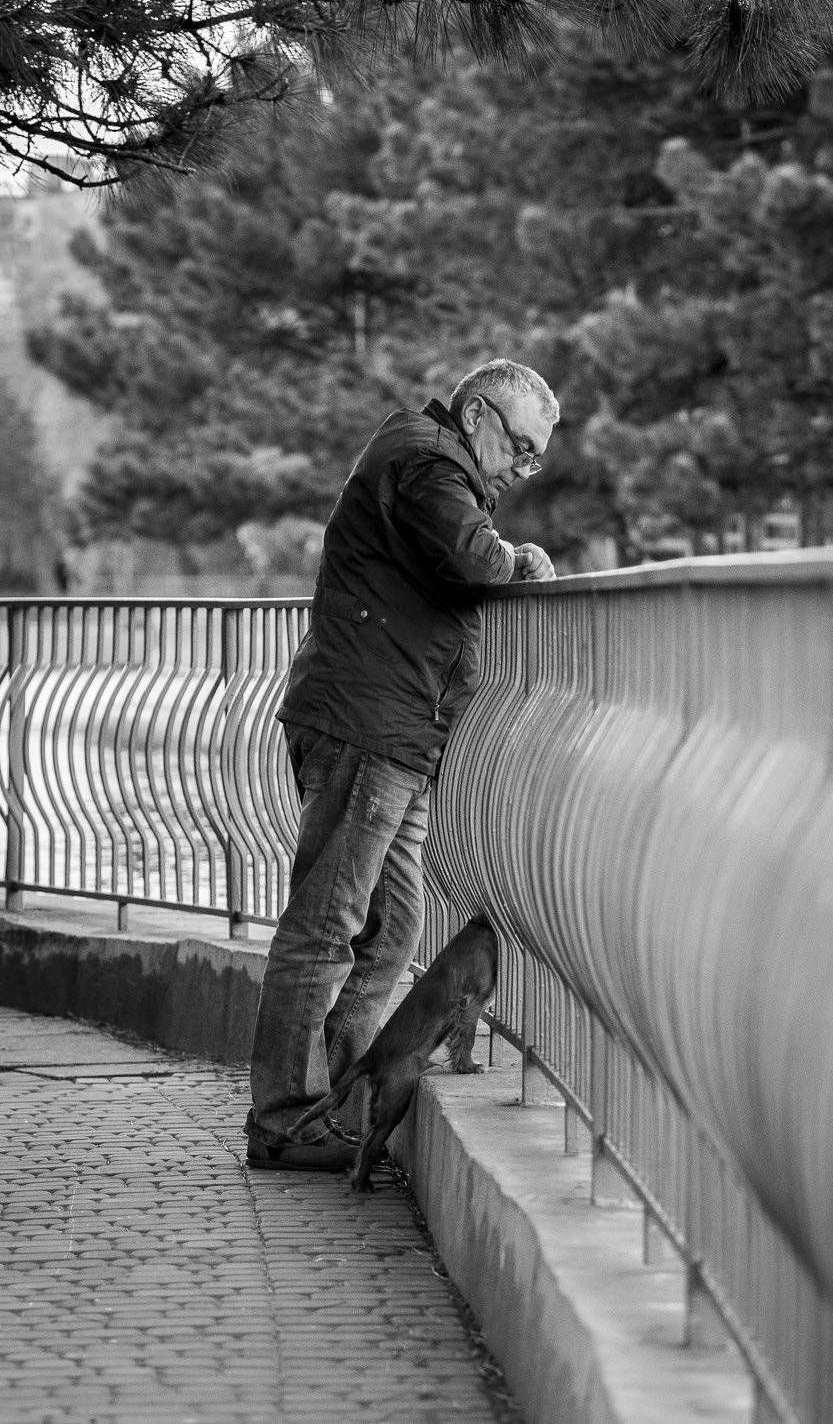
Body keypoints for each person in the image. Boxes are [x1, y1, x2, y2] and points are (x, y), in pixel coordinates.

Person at [245, 358, 558, 1169]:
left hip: (396, 729)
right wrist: (518, 557)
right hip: (369, 726)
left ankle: (335, 1101)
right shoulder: (425, 461)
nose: (521, 469)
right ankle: (283, 1121)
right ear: (478, 414)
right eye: (521, 447)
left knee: (392, 929)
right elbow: (471, 558)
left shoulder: (427, 459)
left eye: (534, 459)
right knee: (326, 927)